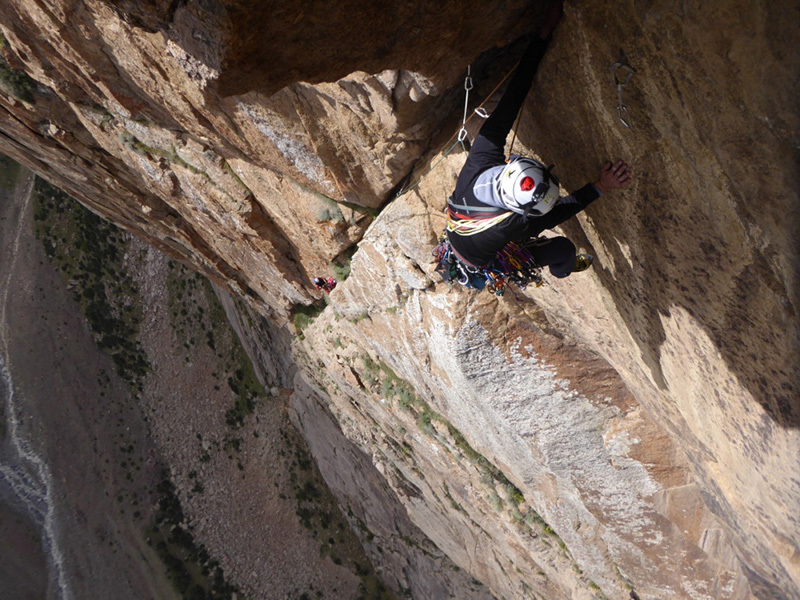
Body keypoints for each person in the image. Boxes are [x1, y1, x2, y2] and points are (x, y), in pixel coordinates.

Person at [445, 0, 631, 282]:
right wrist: (601, 186)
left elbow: (513, 96)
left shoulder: (483, 152)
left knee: (547, 244)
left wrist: (545, 33)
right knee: (564, 250)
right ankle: (563, 269)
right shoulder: (513, 224)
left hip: (460, 232)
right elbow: (558, 214)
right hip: (483, 257)